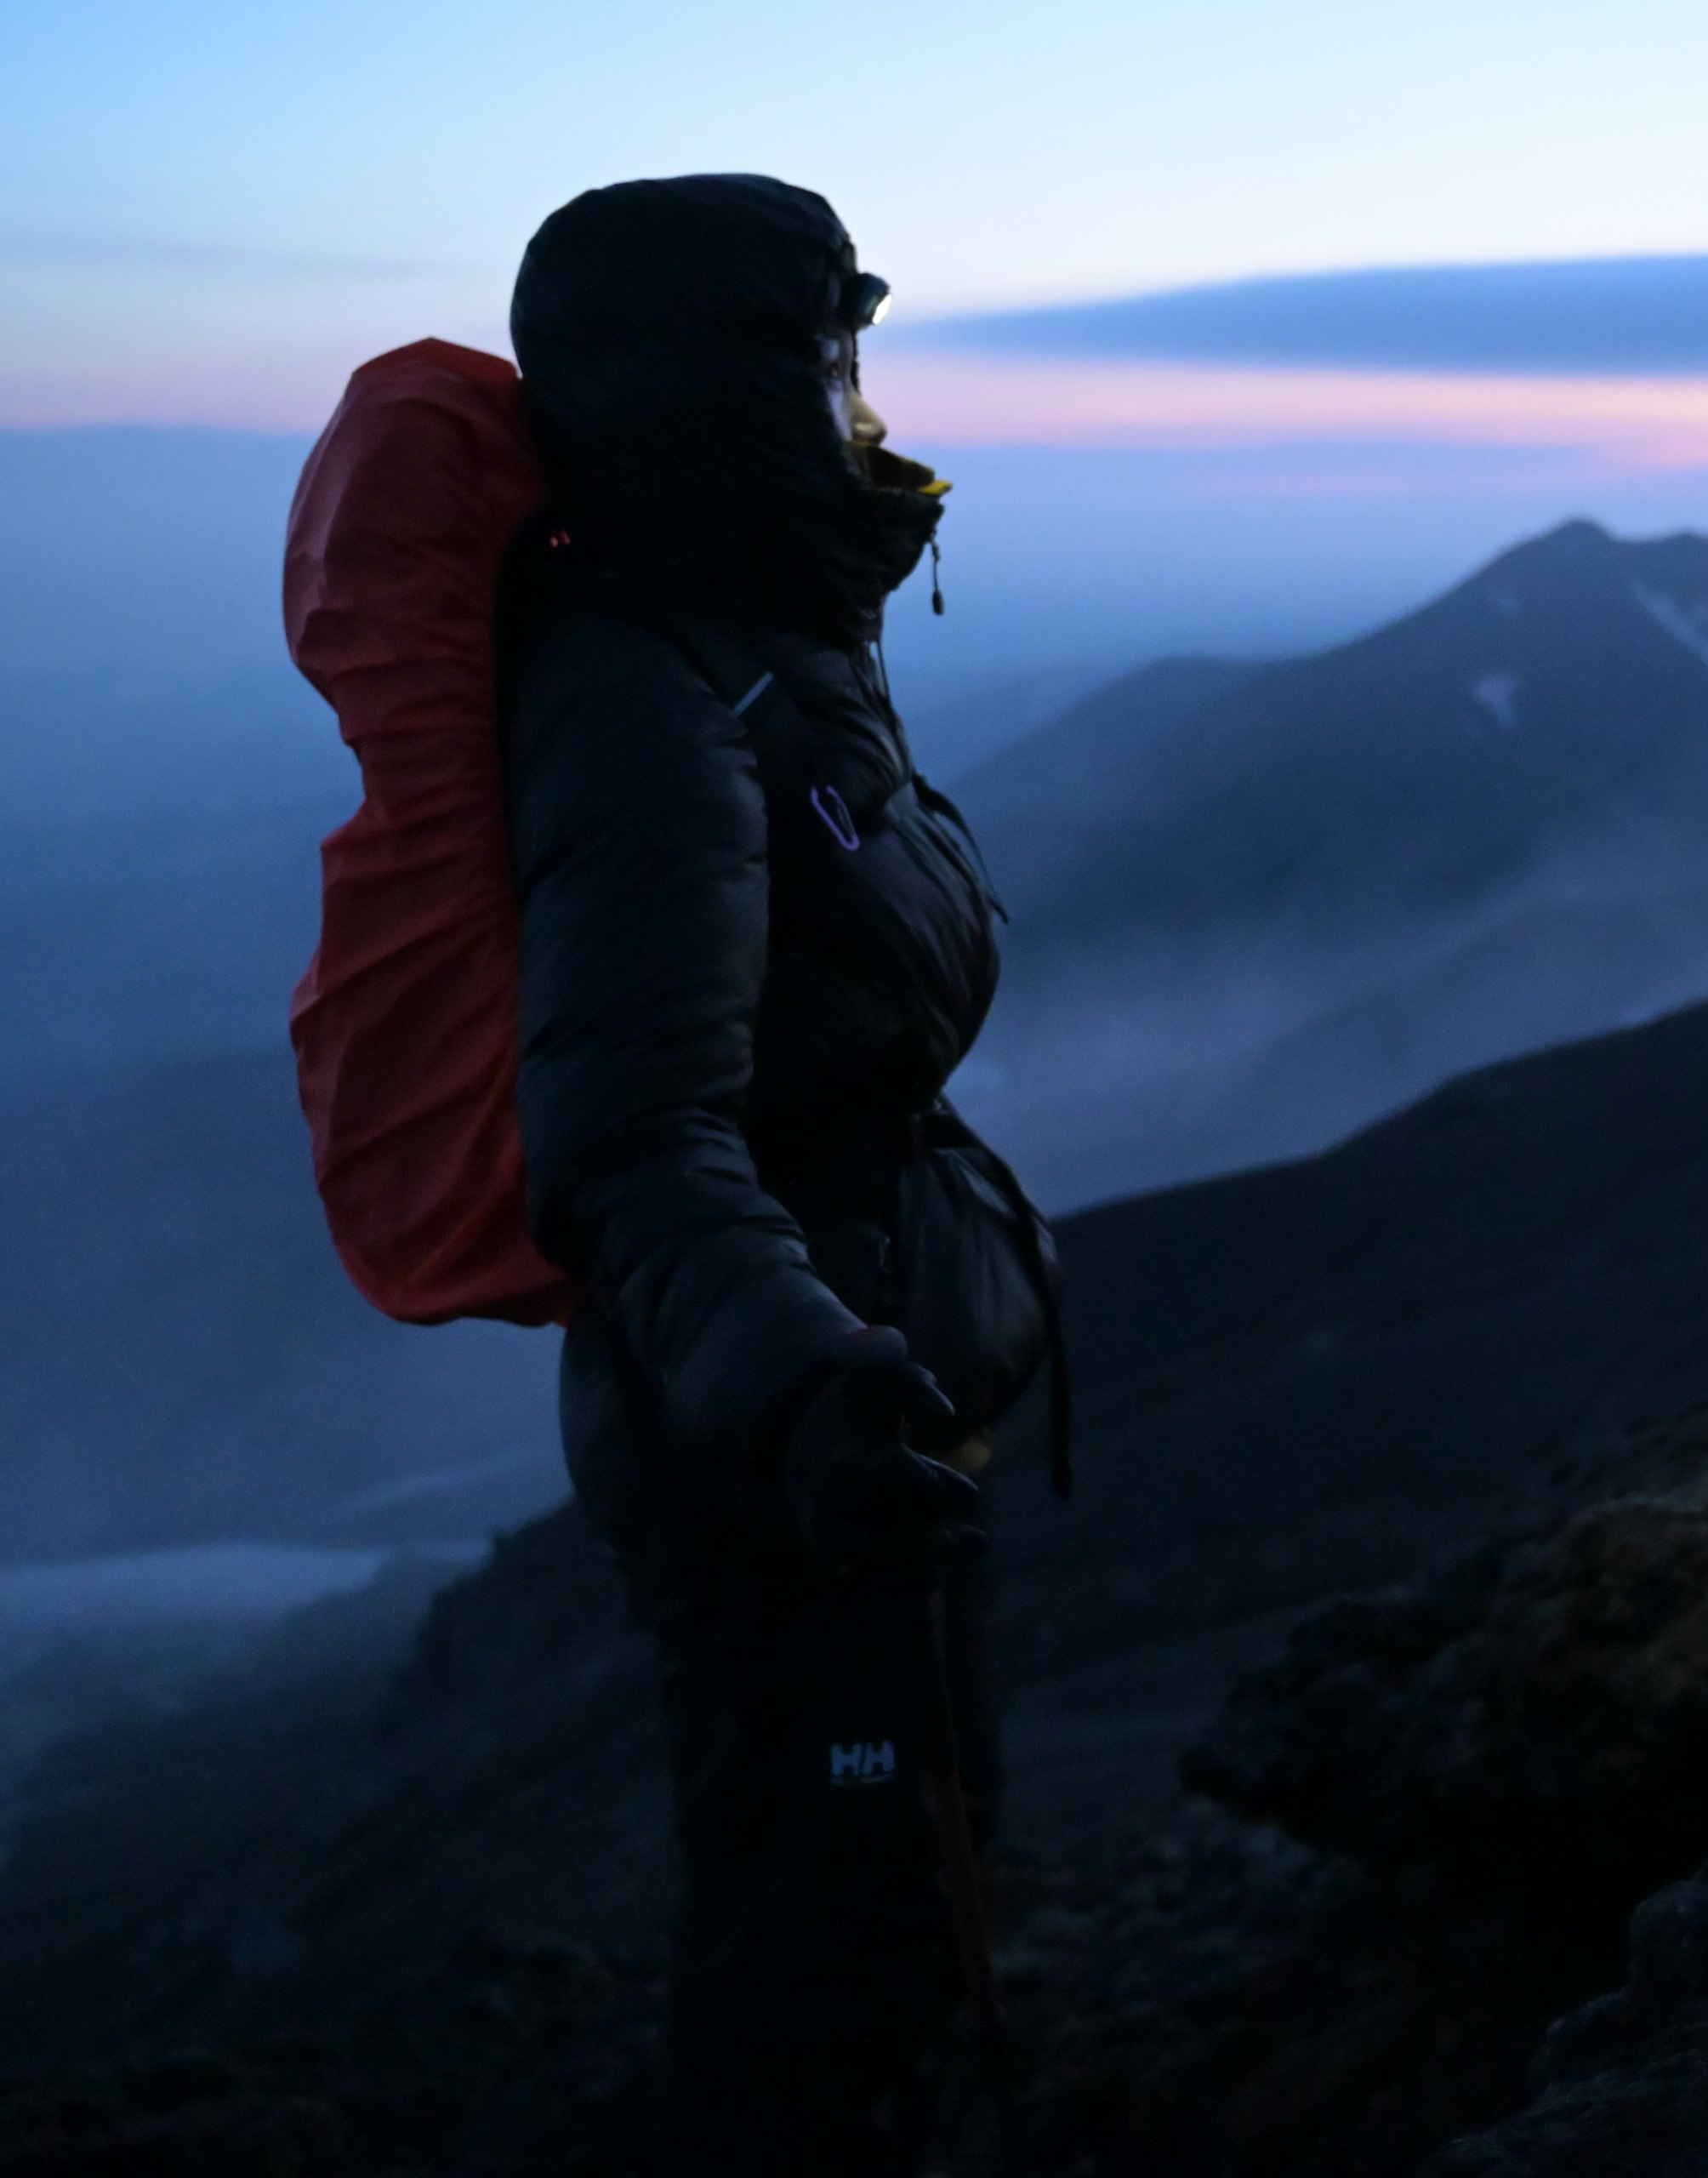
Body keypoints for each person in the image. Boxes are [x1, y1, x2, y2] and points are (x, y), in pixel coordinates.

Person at [503, 174, 1055, 2175]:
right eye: (836, 364)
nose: (869, 413)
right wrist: (808, 1382)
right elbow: (632, 1131)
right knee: (818, 1949)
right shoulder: (646, 698)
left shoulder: (763, 633)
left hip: (855, 1381)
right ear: (720, 401)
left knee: (897, 1886)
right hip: (786, 1435)